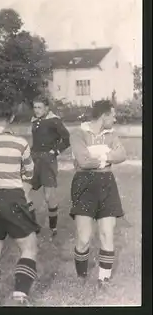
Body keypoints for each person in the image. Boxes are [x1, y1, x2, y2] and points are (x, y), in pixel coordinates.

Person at [0, 101, 40, 306]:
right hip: (11, 196)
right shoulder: (19, 143)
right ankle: (20, 296)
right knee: (29, 248)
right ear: (11, 118)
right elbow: (30, 172)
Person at [69, 100, 126, 287]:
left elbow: (122, 155)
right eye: (113, 115)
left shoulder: (111, 134)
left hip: (107, 183)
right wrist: (107, 157)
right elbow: (83, 161)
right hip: (84, 184)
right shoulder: (78, 133)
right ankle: (81, 276)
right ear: (104, 116)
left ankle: (104, 279)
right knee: (84, 238)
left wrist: (99, 156)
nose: (115, 119)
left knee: (107, 234)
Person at [28, 96, 70, 236]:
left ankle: (53, 228)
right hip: (34, 160)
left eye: (40, 107)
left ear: (47, 108)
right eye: (35, 107)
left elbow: (67, 139)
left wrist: (55, 151)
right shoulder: (34, 121)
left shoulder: (54, 121)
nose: (37, 110)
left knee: (48, 196)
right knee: (23, 191)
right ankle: (33, 226)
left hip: (48, 161)